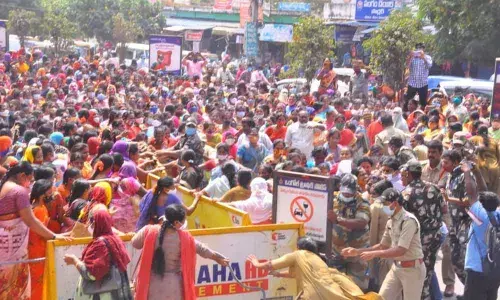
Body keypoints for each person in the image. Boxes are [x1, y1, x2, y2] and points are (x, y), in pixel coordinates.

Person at [342, 188, 426, 300]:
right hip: (397, 268)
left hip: (412, 270)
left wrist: (375, 254)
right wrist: (357, 251)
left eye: (385, 204)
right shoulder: (391, 221)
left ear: (394, 204)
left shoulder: (409, 221)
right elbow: (382, 245)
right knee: (380, 298)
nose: (383, 207)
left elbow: (401, 249)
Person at [132, 204, 229, 300]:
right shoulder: (184, 238)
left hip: (151, 284)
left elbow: (135, 243)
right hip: (174, 287)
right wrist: (218, 258)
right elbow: (202, 249)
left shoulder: (149, 231)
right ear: (177, 223)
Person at [0, 161, 67, 299]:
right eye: (30, 180)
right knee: (15, 290)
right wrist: (54, 236)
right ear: (22, 176)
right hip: (14, 251)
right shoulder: (19, 191)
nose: (30, 185)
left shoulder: (4, 186)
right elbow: (30, 220)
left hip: (5, 247)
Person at [247, 237, 382, 300]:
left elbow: (270, 264)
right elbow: (297, 274)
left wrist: (256, 263)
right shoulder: (318, 261)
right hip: (334, 295)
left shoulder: (298, 254)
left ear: (300, 247)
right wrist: (279, 275)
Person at [63, 209, 132, 300]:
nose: (88, 226)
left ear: (95, 223)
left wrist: (74, 260)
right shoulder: (116, 240)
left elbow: (92, 274)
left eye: (91, 222)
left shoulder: (100, 244)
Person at [401, 160, 445, 300]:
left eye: (403, 175)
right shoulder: (434, 188)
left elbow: (404, 219)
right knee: (429, 269)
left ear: (408, 174)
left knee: (420, 274)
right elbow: (444, 208)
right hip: (436, 235)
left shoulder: (406, 193)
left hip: (420, 240)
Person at [461, 160, 500, 300]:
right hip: (495, 270)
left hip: (477, 270)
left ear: (481, 205)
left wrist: (467, 171)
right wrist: (476, 171)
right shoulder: (497, 214)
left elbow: (471, 194)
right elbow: (484, 193)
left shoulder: (481, 217)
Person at [327, 174, 371, 290]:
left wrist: (338, 220)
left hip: (356, 251)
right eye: (345, 192)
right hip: (336, 250)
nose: (347, 195)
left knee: (357, 287)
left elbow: (362, 222)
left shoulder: (362, 202)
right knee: (335, 285)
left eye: (350, 193)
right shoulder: (332, 198)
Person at [28, 179, 59, 299]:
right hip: (37, 251)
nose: (52, 195)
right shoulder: (38, 210)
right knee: (37, 282)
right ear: (43, 193)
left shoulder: (40, 208)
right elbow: (42, 233)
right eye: (50, 192)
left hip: (38, 249)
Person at [405, 43, 432, 109]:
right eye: (417, 49)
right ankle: (408, 114)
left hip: (423, 84)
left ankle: (422, 115)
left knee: (423, 103)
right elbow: (407, 66)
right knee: (408, 101)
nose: (418, 51)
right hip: (412, 83)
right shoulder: (412, 58)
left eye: (420, 49)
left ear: (423, 49)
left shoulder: (427, 57)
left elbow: (429, 66)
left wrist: (423, 58)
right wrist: (410, 57)